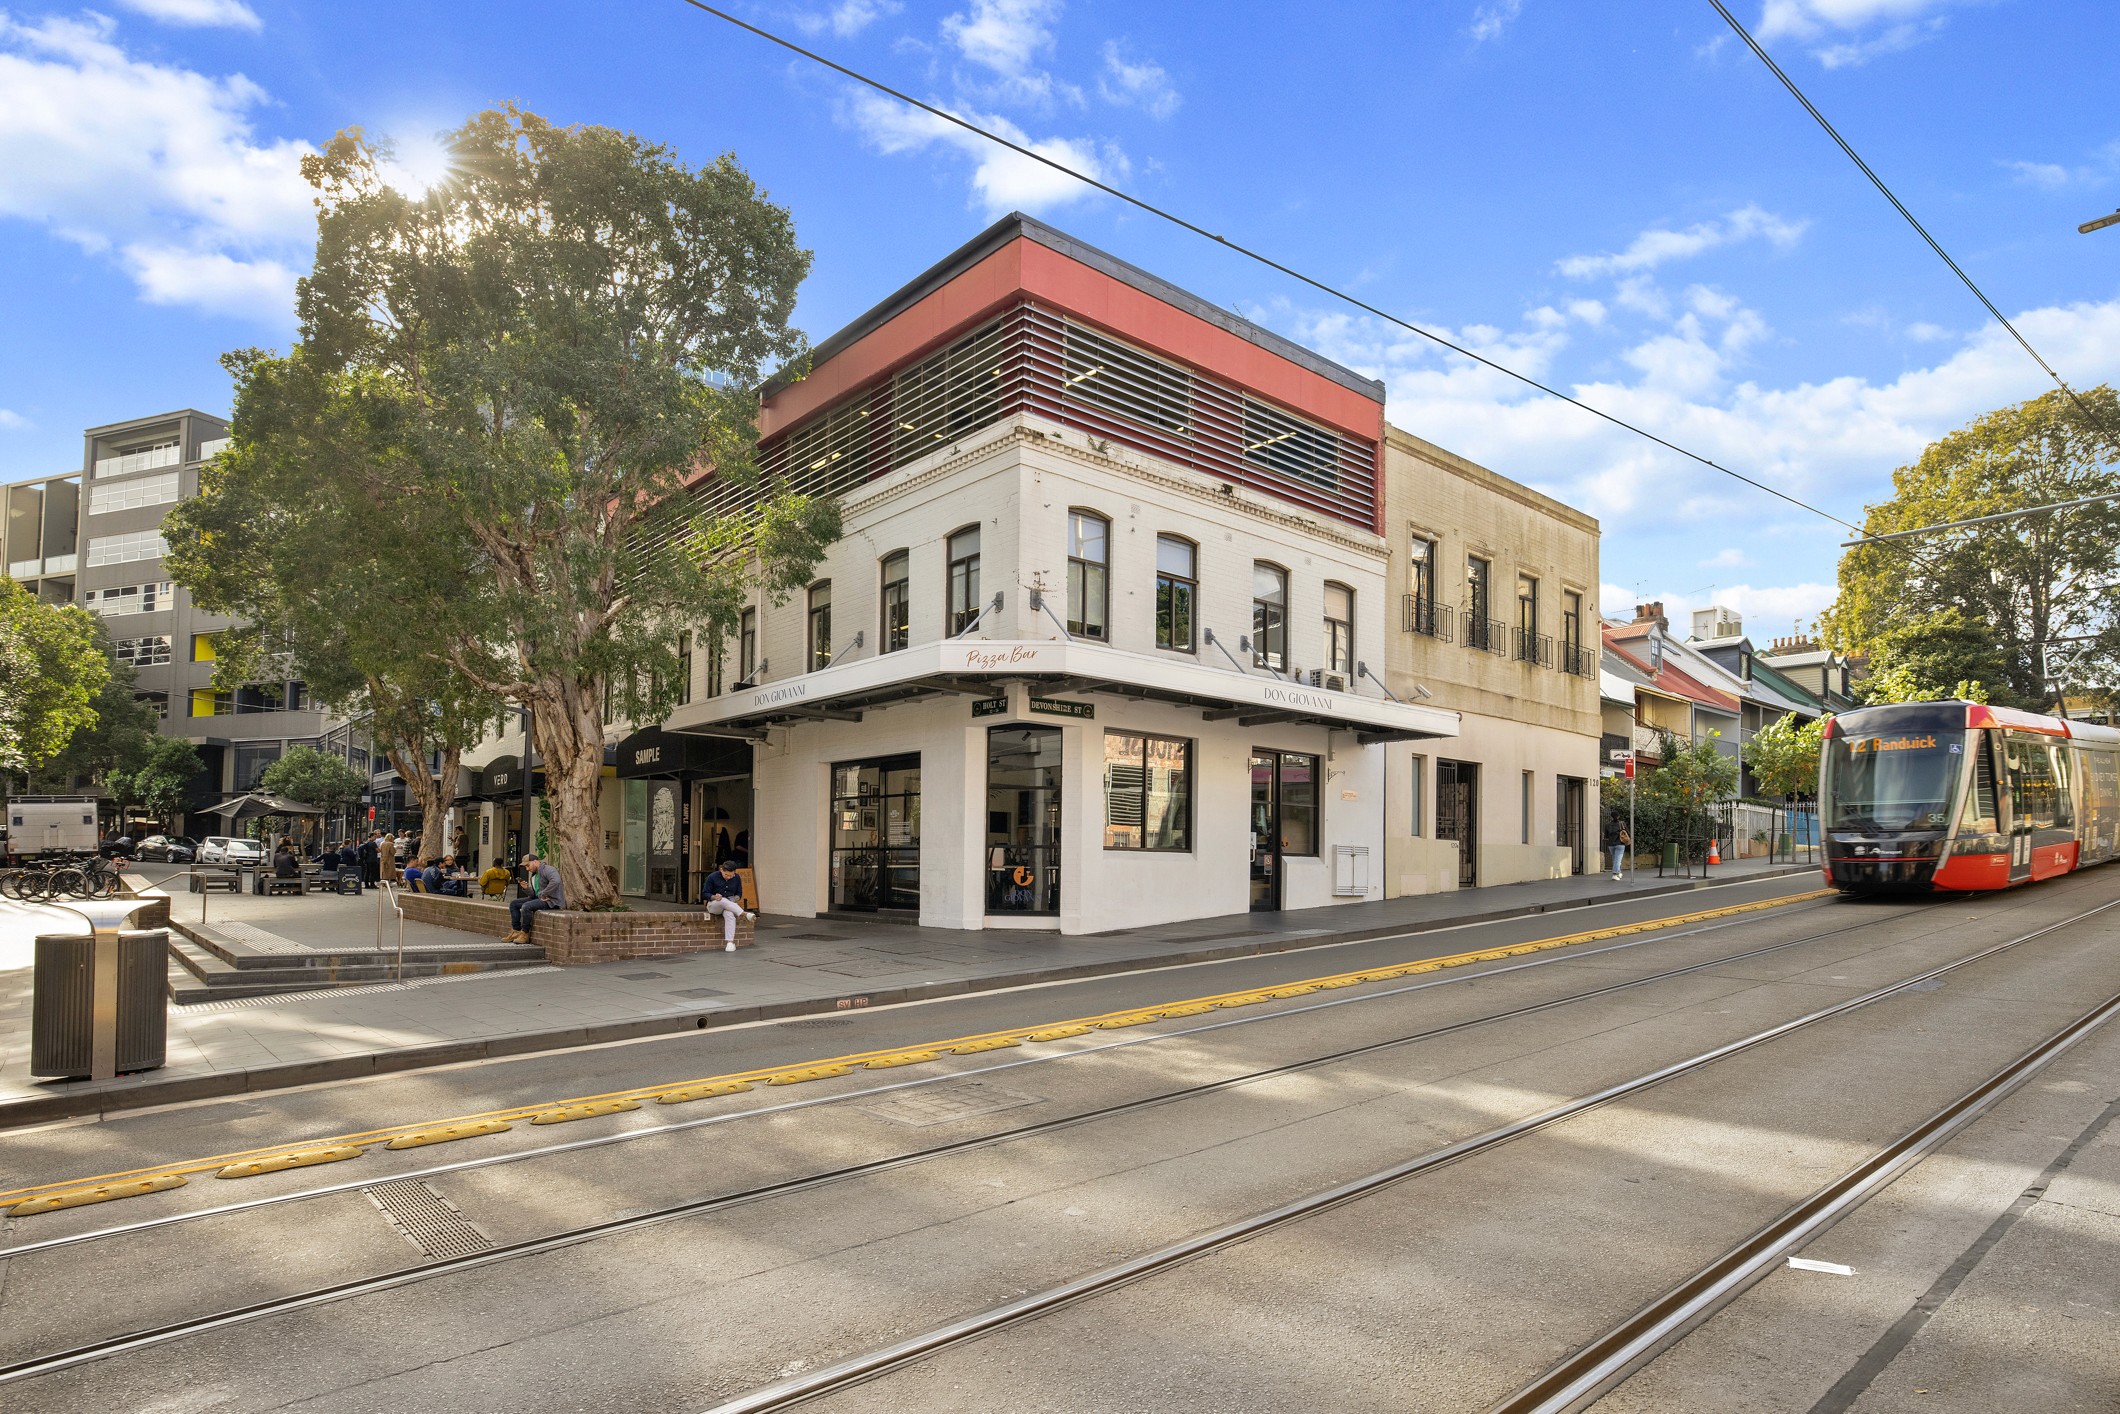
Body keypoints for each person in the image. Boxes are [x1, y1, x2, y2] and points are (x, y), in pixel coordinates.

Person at [507, 854, 564, 943]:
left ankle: (525, 933)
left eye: (528, 865)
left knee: (526, 906)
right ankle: (516, 931)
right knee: (514, 904)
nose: (527, 869)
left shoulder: (548, 869)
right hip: (540, 899)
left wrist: (544, 893)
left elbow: (556, 881)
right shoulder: (534, 875)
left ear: (535, 862)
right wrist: (526, 888)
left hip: (551, 901)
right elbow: (534, 895)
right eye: (525, 866)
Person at [701, 859, 754, 952]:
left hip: (730, 905)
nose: (729, 877)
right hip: (714, 905)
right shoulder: (712, 877)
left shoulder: (737, 877)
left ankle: (730, 943)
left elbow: (739, 894)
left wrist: (734, 899)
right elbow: (704, 894)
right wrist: (714, 896)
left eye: (731, 875)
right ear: (721, 870)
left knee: (729, 914)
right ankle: (744, 914)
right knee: (722, 900)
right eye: (726, 875)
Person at [1603, 813, 1631, 881]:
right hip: (1620, 843)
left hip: (1611, 844)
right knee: (1618, 860)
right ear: (1618, 816)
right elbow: (1627, 832)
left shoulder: (1607, 825)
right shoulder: (1622, 824)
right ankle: (1614, 874)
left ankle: (1619, 872)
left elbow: (1606, 836)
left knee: (1615, 859)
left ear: (1611, 817)